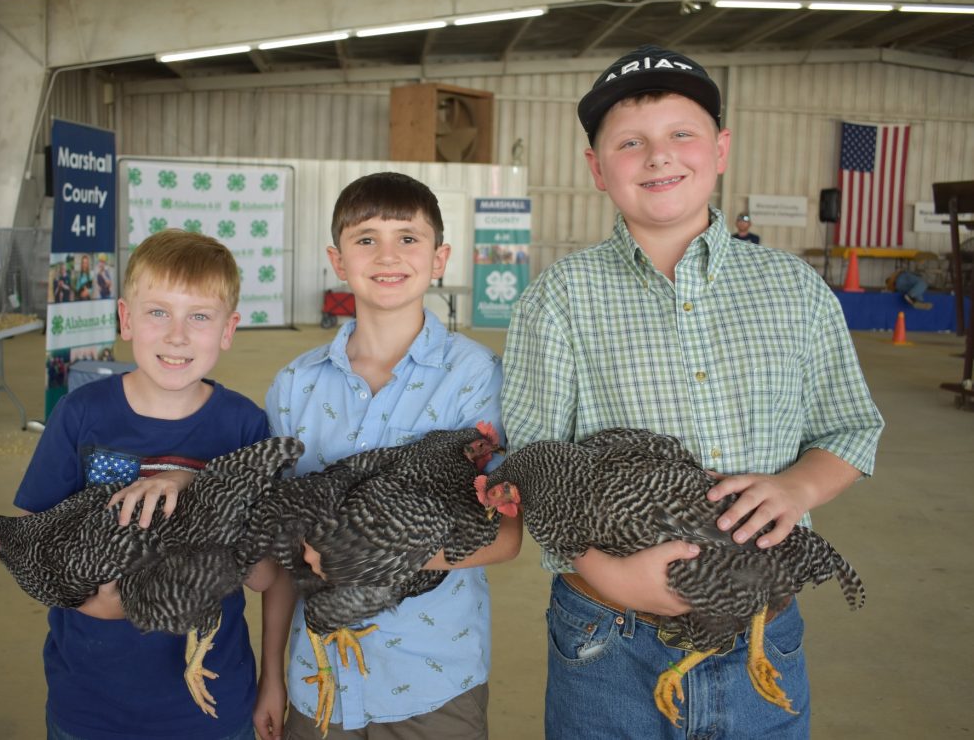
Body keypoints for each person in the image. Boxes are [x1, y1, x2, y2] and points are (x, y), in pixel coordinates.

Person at [501, 45, 884, 739]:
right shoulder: (558, 300)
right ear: (596, 167)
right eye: (630, 142)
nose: (659, 156)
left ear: (721, 148)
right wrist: (608, 576)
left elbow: (850, 430)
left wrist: (798, 489)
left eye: (683, 133)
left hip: (762, 627)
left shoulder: (794, 290)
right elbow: (534, 466)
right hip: (607, 637)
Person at [262, 172, 523, 740]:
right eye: (366, 239)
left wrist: (363, 556)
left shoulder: (477, 378)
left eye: (408, 238)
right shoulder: (295, 385)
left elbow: (505, 538)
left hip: (433, 677)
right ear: (338, 259)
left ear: (439, 258)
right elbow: (284, 553)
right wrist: (271, 675)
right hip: (317, 674)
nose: (388, 255)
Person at [15, 229, 290, 740]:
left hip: (211, 705)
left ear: (228, 329)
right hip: (90, 703)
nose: (177, 335)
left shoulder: (243, 428)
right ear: (125, 319)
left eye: (200, 317)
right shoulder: (81, 415)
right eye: (157, 312)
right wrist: (94, 603)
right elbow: (33, 547)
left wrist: (200, 489)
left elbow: (267, 576)